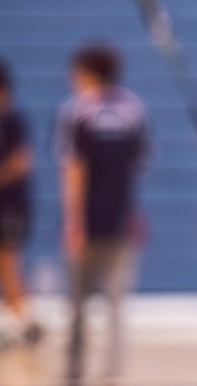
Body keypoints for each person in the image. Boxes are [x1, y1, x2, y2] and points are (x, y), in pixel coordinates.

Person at [53, 44, 150, 384]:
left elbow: (73, 169)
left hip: (89, 223)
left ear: (86, 72)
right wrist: (135, 214)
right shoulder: (133, 109)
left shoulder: (77, 110)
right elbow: (135, 169)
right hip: (121, 221)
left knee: (77, 306)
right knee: (116, 307)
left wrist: (73, 222)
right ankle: (112, 376)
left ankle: (73, 374)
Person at [0, 59, 42, 349]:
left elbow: (22, 162)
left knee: (8, 259)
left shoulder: (13, 121)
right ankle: (17, 318)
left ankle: (24, 320)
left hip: (11, 205)